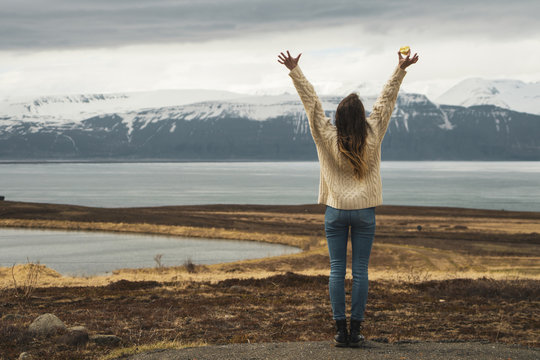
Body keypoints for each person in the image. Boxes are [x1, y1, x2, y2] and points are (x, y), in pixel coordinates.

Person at [278, 49, 419, 347]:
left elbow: (312, 105)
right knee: (361, 271)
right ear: (360, 118)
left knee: (336, 270)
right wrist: (400, 70)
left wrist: (295, 71)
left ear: (339, 117)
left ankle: (340, 332)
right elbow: (386, 102)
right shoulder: (373, 133)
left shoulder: (326, 136)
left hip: (335, 213)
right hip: (365, 212)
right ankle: (356, 331)